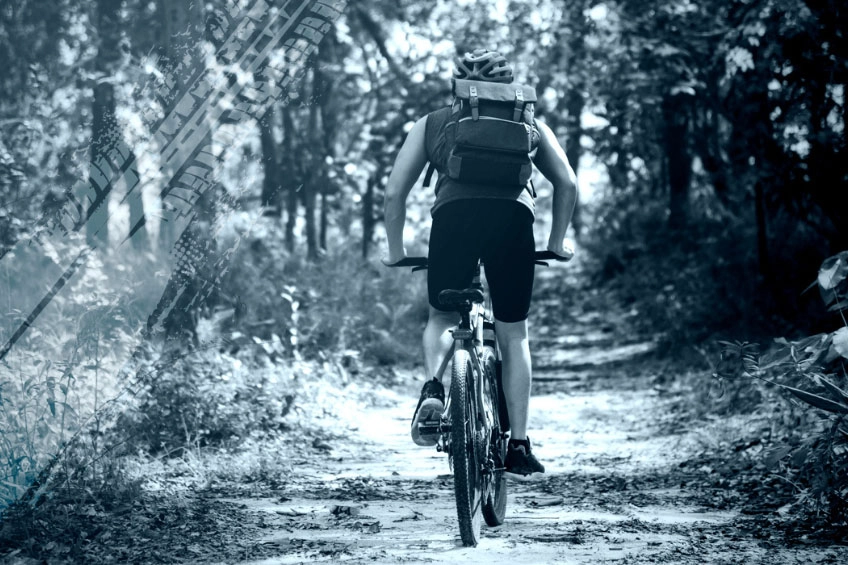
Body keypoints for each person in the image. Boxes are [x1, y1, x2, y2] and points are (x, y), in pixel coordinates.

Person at [382, 49, 578, 476]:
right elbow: (567, 181)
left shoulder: (433, 123)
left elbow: (394, 192)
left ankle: (435, 385)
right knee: (513, 332)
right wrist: (557, 241)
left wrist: (395, 250)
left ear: (458, 87)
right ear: (510, 87)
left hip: (454, 219)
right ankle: (520, 444)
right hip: (513, 221)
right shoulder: (529, 123)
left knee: (441, 314)